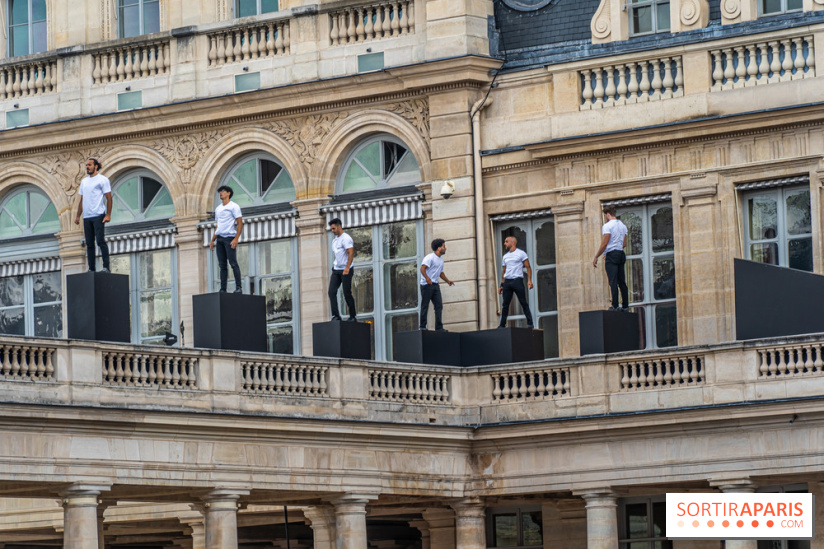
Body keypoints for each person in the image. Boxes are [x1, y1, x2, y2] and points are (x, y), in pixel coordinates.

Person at [74, 158, 113, 272]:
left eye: (90, 165)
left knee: (100, 241)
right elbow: (82, 200)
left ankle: (106, 266)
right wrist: (78, 216)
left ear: (96, 166)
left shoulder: (102, 180)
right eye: (86, 165)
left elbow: (109, 198)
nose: (87, 167)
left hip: (98, 214)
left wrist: (108, 214)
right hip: (87, 216)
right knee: (89, 243)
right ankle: (91, 268)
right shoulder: (84, 182)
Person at [592, 204, 629, 311]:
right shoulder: (623, 225)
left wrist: (597, 256)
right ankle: (625, 306)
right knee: (622, 281)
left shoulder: (607, 226)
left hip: (612, 255)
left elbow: (605, 242)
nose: (605, 217)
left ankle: (615, 305)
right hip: (620, 253)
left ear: (607, 214)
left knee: (613, 281)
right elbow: (624, 243)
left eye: (605, 215)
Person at [209, 185, 244, 293]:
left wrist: (236, 239)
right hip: (220, 238)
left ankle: (238, 287)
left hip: (229, 237)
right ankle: (223, 289)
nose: (221, 193)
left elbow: (240, 223)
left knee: (233, 263)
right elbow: (218, 225)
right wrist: (212, 240)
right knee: (222, 265)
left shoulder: (234, 206)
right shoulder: (218, 209)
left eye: (223, 191)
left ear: (228, 193)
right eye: (220, 191)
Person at [498, 236, 535, 329]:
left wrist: (529, 280)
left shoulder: (521, 253)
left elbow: (528, 267)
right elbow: (504, 271)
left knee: (523, 302)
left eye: (506, 241)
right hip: (507, 282)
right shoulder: (505, 256)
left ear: (512, 243)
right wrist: (502, 285)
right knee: (505, 304)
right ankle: (502, 325)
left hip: (517, 281)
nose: (505, 243)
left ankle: (530, 323)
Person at [419, 238, 455, 331]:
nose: (445, 248)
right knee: (425, 305)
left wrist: (448, 281)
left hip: (435, 285)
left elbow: (441, 273)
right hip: (426, 285)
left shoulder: (441, 260)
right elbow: (422, 268)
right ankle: (422, 326)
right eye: (444, 246)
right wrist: (427, 278)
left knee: (439, 306)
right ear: (439, 248)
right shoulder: (430, 257)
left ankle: (439, 328)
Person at [328, 218, 357, 321]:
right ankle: (336, 316)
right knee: (331, 292)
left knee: (346, 293)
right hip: (337, 270)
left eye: (333, 228)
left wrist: (347, 268)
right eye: (331, 229)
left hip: (346, 269)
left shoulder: (346, 238)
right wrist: (333, 270)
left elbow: (351, 253)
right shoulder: (334, 241)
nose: (332, 231)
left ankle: (352, 316)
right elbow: (337, 256)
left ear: (339, 226)